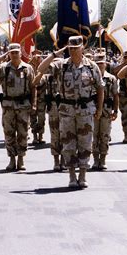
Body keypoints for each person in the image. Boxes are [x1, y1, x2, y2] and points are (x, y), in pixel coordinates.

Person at [37, 36, 104, 188]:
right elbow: (40, 69)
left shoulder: (92, 66)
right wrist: (56, 54)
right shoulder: (61, 65)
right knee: (68, 143)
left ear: (82, 48)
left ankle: (83, 175)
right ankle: (72, 176)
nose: (73, 50)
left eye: (76, 47)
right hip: (66, 111)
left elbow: (100, 88)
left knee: (85, 143)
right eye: (71, 47)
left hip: (85, 110)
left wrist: (99, 109)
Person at [0, 43, 36, 171]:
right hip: (8, 106)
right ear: (9, 53)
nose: (14, 54)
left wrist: (33, 104)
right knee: (9, 133)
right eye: (12, 52)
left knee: (23, 133)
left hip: (23, 105)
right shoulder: (4, 68)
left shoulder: (28, 68)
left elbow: (32, 87)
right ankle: (12, 159)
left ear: (20, 53)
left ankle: (21, 159)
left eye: (16, 52)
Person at [33, 49, 66, 171]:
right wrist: (40, 71)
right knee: (55, 135)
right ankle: (56, 161)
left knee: (66, 135)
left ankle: (64, 160)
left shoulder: (67, 74)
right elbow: (35, 83)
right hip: (53, 107)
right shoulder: (48, 77)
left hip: (66, 107)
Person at [91, 52, 119, 170]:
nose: (100, 66)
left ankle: (103, 159)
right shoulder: (91, 77)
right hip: (93, 109)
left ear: (106, 65)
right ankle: (95, 160)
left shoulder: (111, 78)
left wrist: (116, 111)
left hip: (107, 110)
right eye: (98, 64)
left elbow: (116, 95)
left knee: (105, 135)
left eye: (102, 64)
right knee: (94, 135)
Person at [113, 52, 127, 144]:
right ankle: (126, 136)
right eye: (125, 57)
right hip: (123, 95)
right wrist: (125, 64)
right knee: (125, 116)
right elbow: (115, 72)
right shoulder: (121, 67)